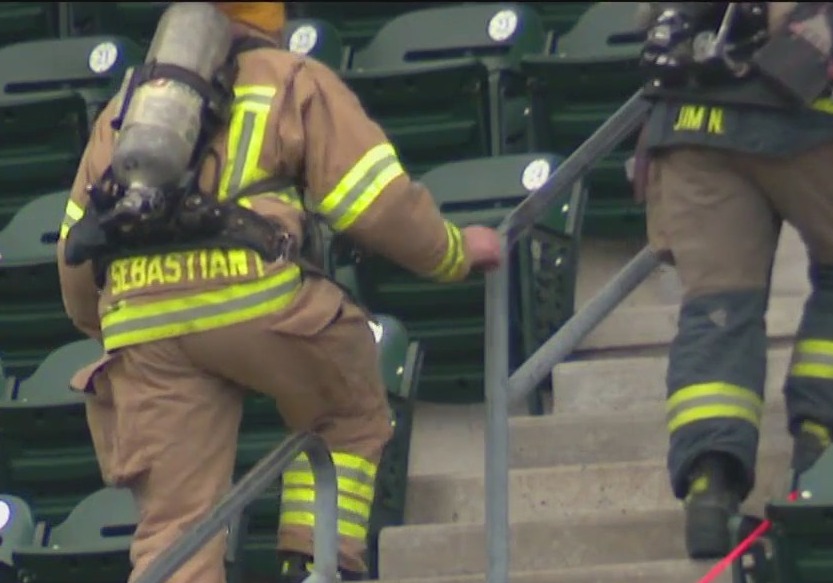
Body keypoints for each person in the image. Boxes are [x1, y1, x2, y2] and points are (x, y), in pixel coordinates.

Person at [56, 3, 502, 582]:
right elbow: (376, 204)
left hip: (141, 322)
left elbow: (74, 256)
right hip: (257, 301)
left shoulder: (125, 111)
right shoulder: (293, 80)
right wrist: (455, 253)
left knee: (174, 527)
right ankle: (316, 564)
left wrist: (119, 325)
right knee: (347, 410)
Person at [634, 1, 833, 560]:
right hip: (811, 123)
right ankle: (822, 442)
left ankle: (710, 486)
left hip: (690, 126)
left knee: (718, 307)